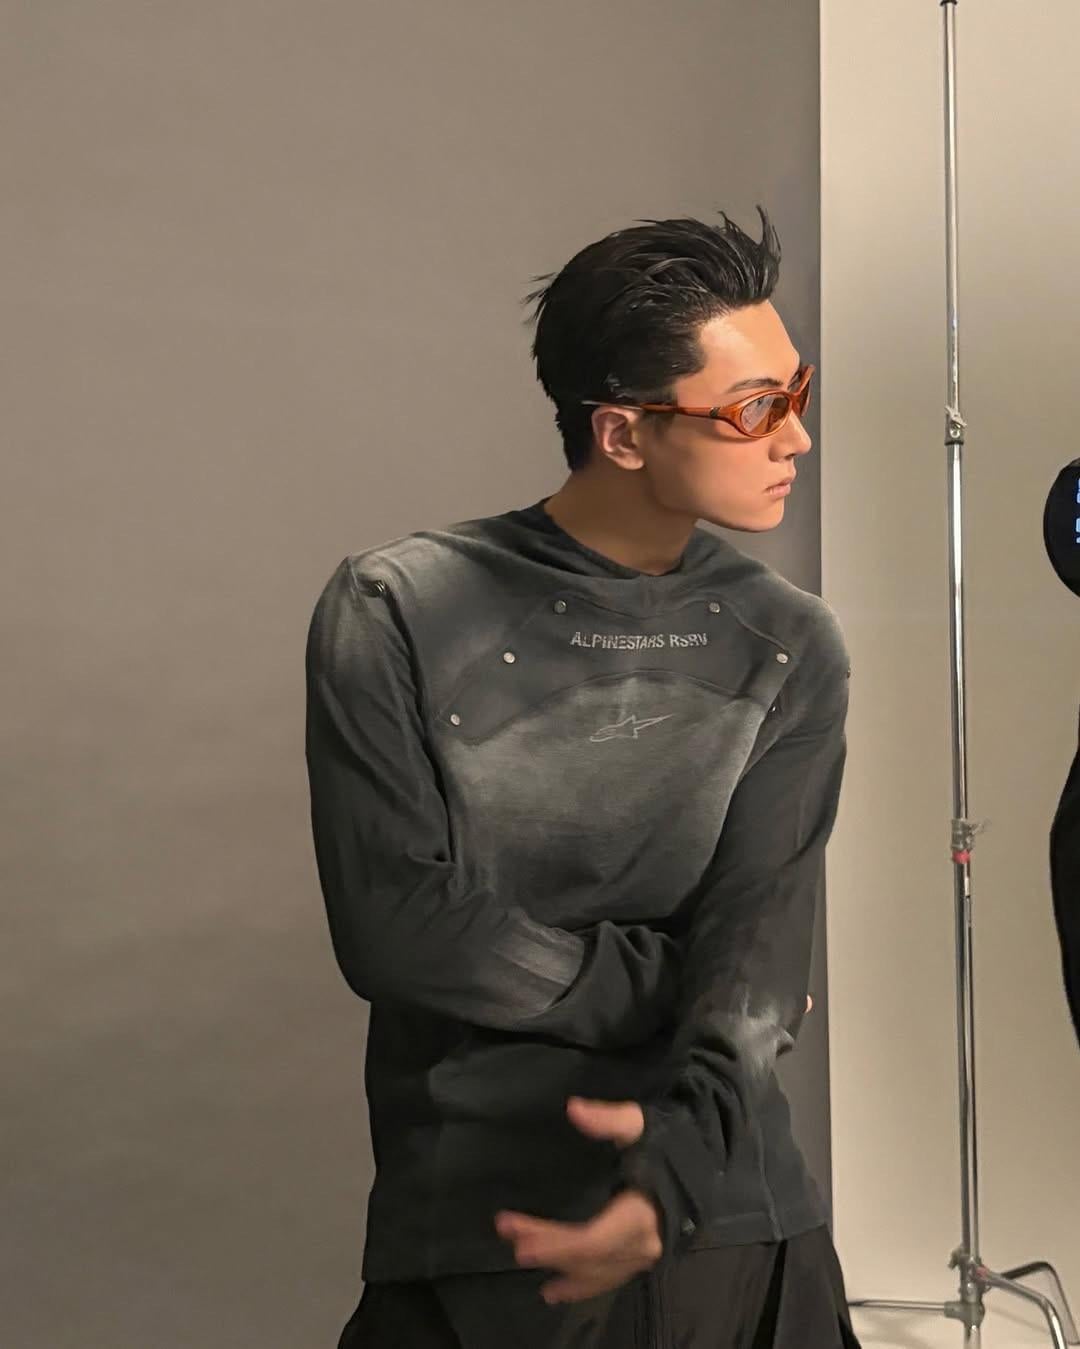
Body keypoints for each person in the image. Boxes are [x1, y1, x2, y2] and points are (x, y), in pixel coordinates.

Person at [304, 207, 862, 1348]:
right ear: (622, 434)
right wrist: (689, 979)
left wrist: (675, 1176)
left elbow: (761, 938)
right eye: (756, 408)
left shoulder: (790, 640)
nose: (797, 437)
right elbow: (399, 926)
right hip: (487, 1233)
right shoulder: (397, 607)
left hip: (739, 1227)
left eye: (797, 391)